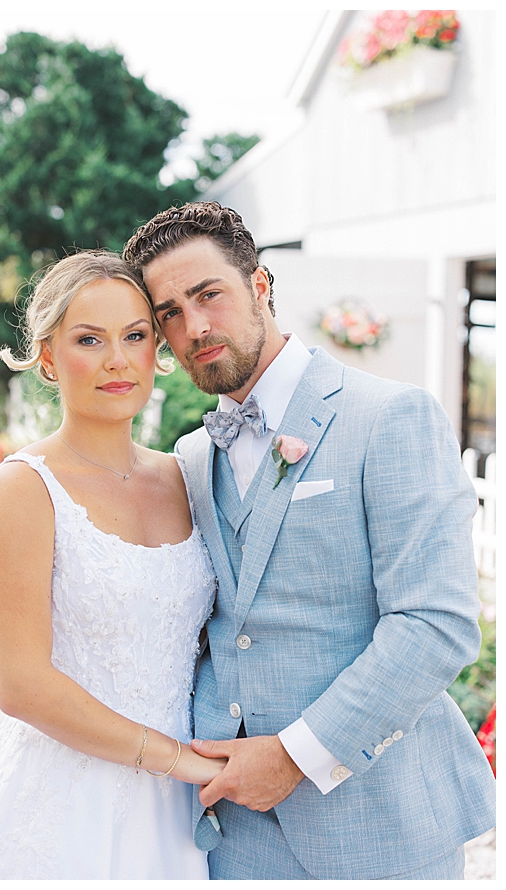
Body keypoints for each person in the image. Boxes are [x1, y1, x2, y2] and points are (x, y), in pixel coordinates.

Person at [122, 202, 496, 881]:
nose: (195, 327)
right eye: (169, 312)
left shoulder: (390, 417)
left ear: (260, 287)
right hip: (226, 830)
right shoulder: (190, 457)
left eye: (210, 294)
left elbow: (435, 626)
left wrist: (295, 755)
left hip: (376, 821)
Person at [0, 250, 226, 880]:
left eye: (135, 336)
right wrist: (178, 761)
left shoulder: (188, 477)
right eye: (90, 339)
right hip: (66, 801)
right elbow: (22, 686)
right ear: (50, 358)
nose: (117, 359)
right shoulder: (26, 487)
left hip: (182, 809)